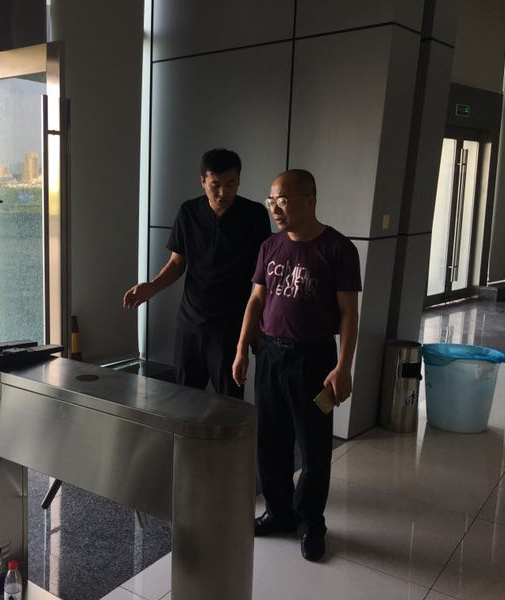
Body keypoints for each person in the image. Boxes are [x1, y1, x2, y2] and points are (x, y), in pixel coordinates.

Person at [231, 169, 361, 562]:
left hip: (314, 359)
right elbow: (256, 301)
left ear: (310, 201)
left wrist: (343, 366)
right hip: (270, 354)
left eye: (283, 201)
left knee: (314, 446)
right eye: (271, 200)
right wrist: (241, 349)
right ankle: (278, 512)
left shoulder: (338, 249)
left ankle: (310, 521)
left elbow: (349, 313)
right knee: (270, 441)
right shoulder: (270, 246)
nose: (275, 208)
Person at [123, 148, 270, 398]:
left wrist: (258, 322)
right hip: (190, 322)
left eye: (230, 184)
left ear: (239, 181)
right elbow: (177, 264)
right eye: (215, 185)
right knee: (184, 398)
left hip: (231, 325)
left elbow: (263, 276)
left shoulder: (254, 215)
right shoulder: (189, 212)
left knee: (229, 402)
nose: (223, 192)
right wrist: (151, 287)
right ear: (203, 181)